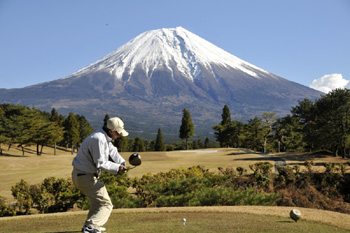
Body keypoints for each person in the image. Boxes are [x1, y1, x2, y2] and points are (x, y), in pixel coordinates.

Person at [72, 117, 129, 233]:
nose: (119, 136)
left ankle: (91, 225)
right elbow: (101, 162)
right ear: (111, 131)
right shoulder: (98, 139)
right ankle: (91, 227)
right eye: (118, 133)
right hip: (84, 176)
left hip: (82, 175)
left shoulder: (104, 137)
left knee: (97, 203)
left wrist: (122, 163)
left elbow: (112, 151)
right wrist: (118, 168)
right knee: (106, 204)